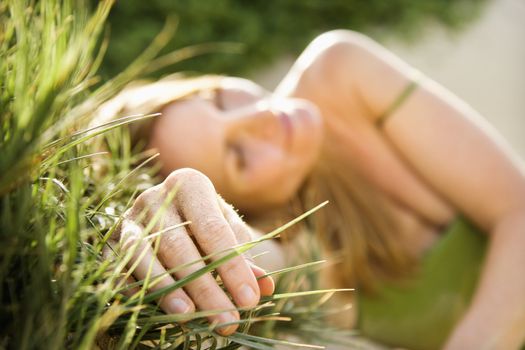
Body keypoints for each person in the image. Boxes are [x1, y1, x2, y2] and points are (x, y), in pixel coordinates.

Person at [96, 30, 525, 349]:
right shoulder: (302, 250)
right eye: (239, 157)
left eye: (219, 100)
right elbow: (251, 256)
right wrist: (186, 221)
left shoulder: (340, 70)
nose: (262, 116)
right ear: (243, 207)